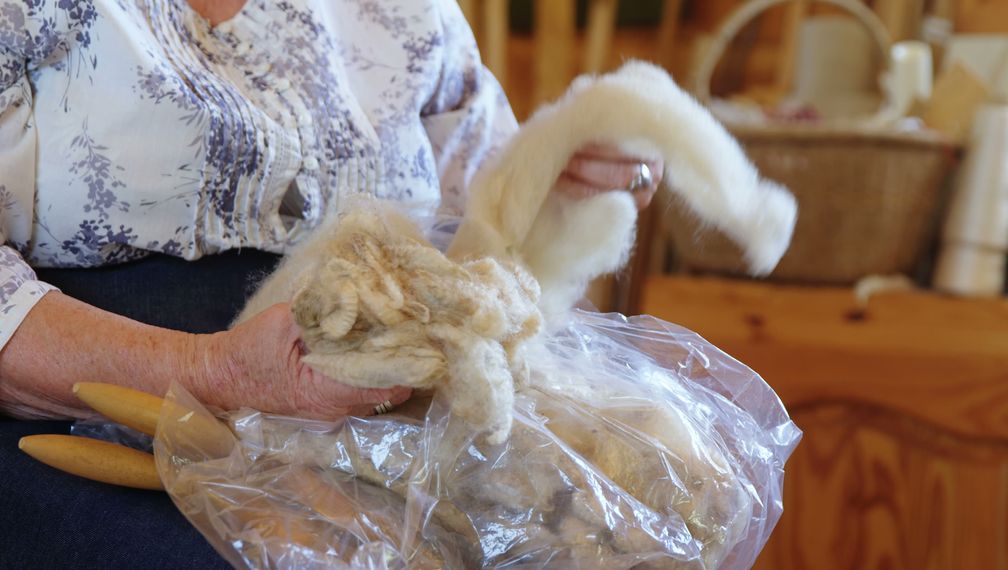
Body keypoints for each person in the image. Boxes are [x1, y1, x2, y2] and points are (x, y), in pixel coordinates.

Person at [0, 0, 663, 566]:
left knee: (626, 524)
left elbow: (488, 222)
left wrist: (569, 183)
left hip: (386, 434)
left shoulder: (408, 14)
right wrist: (214, 373)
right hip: (97, 416)